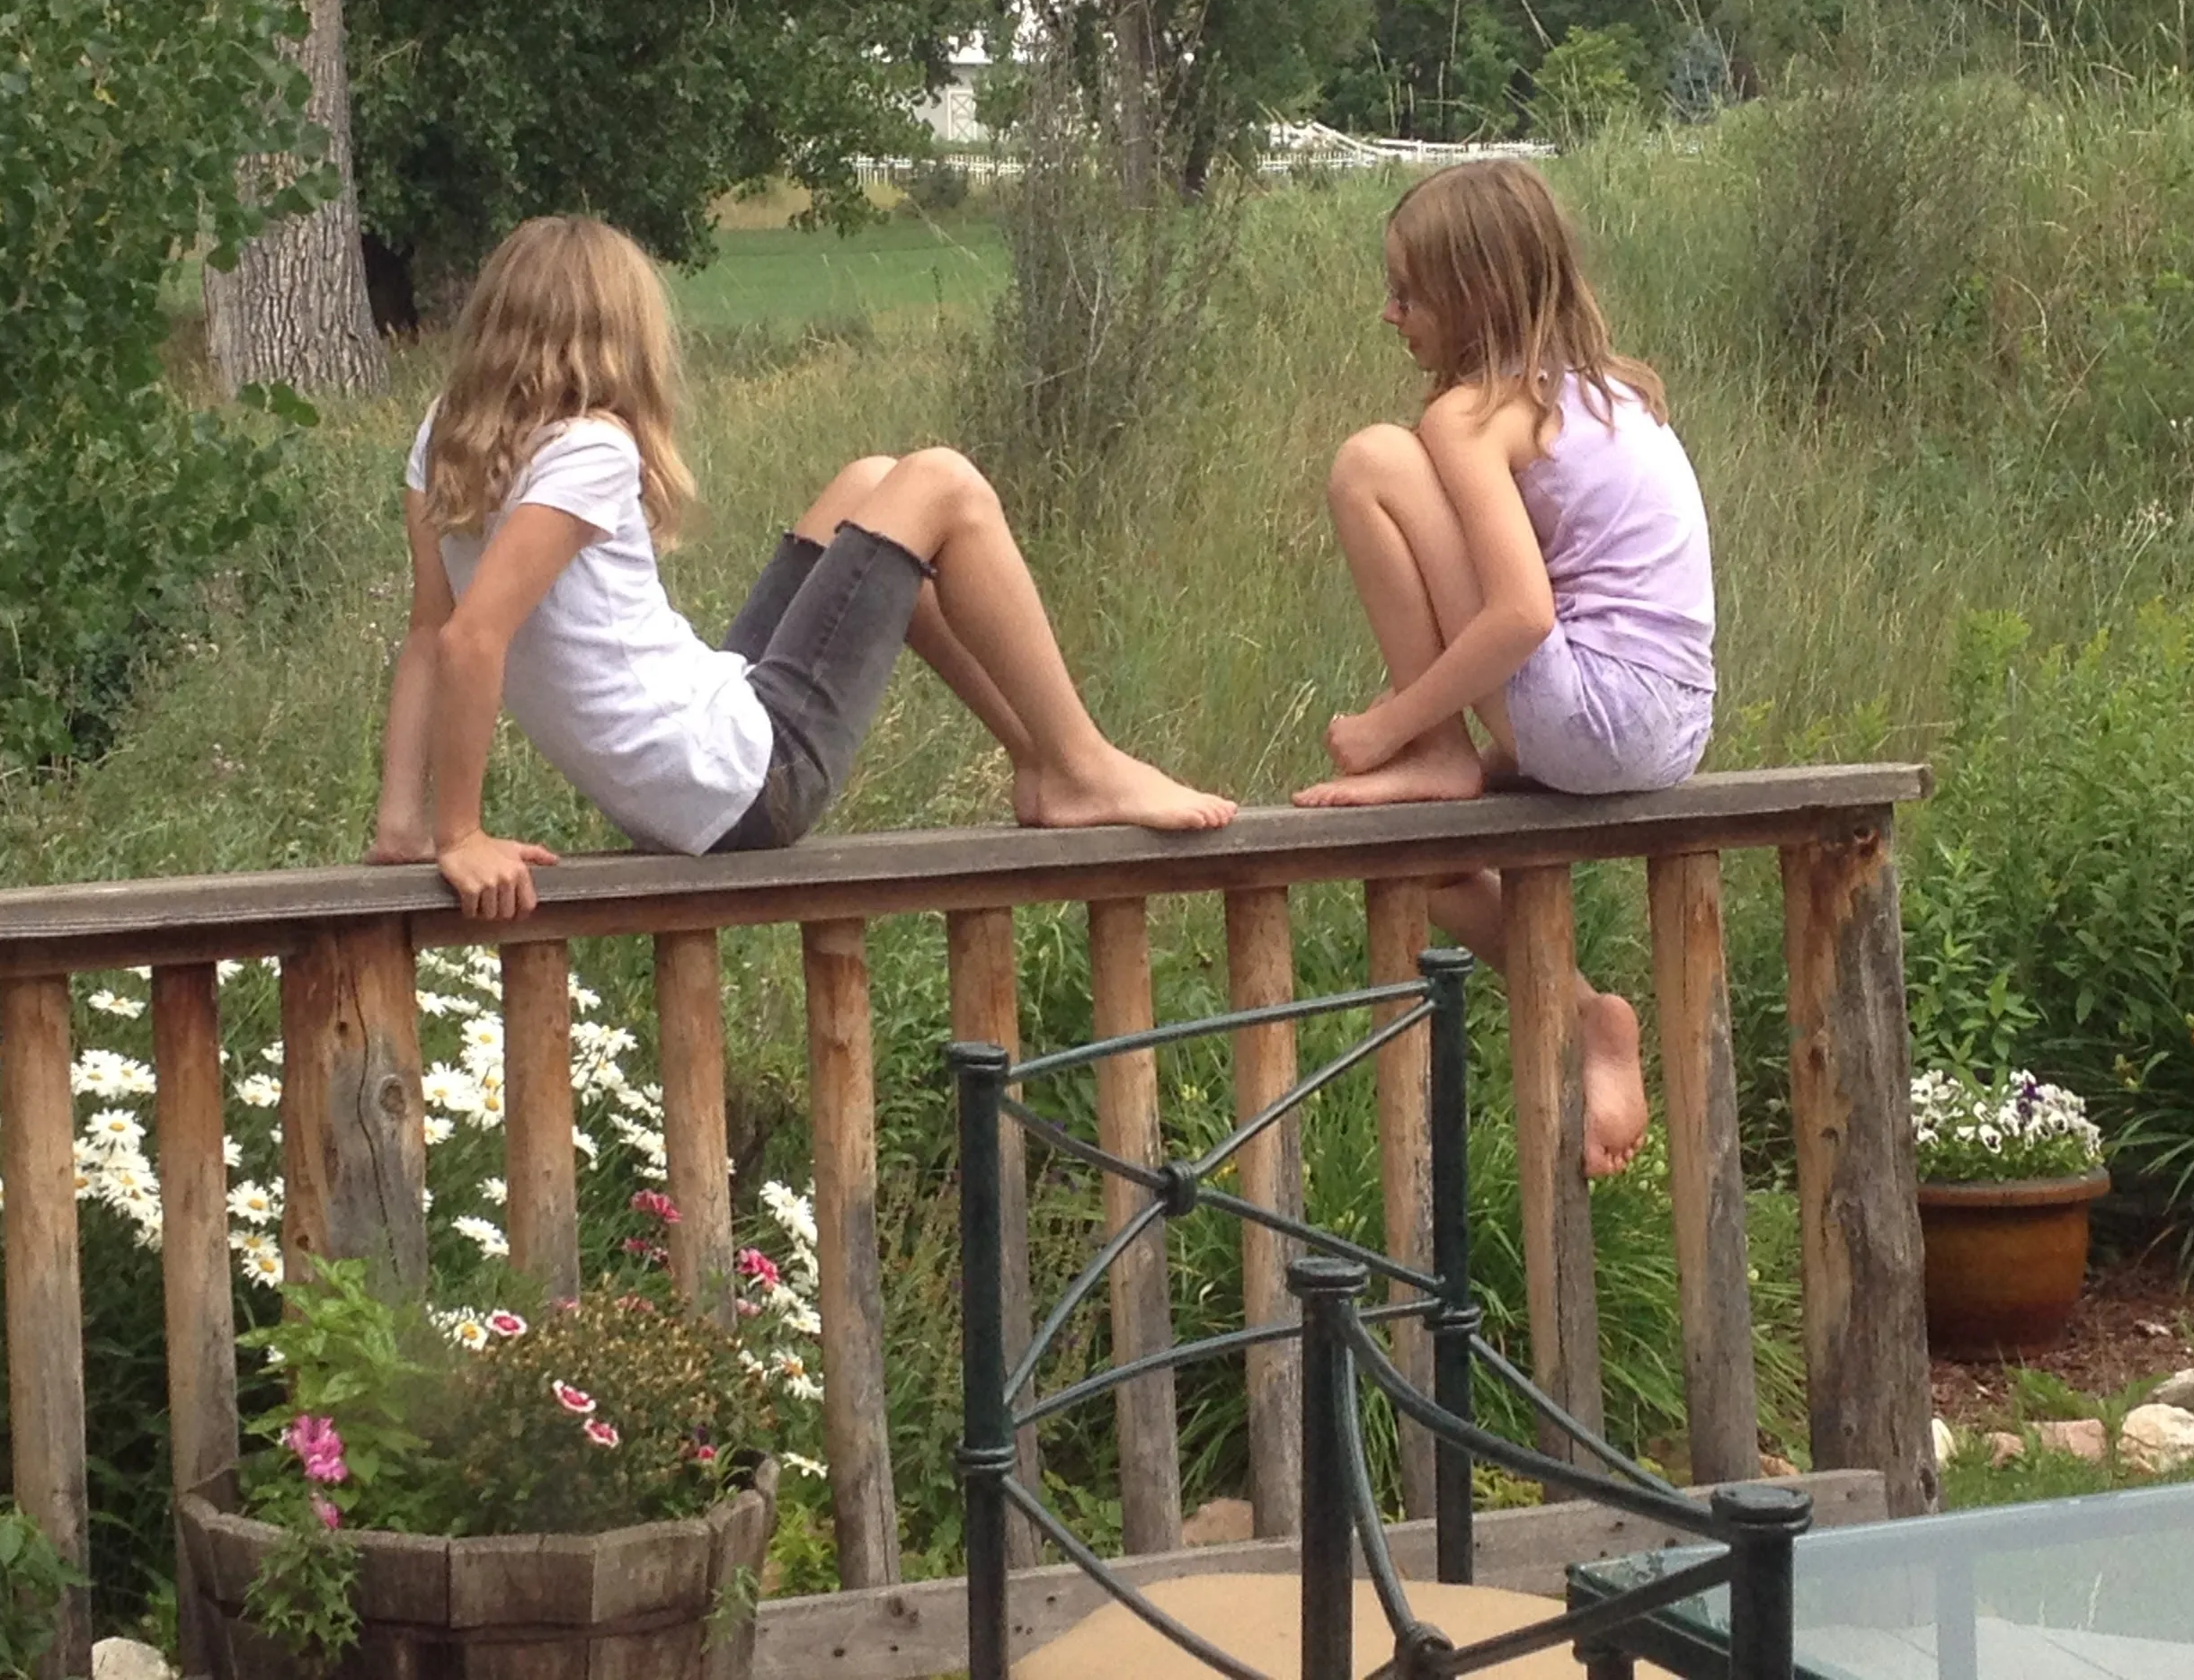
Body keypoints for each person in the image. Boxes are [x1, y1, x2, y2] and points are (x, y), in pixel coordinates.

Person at [369, 216, 1237, 921]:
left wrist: (403, 822)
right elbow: (471, 639)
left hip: (709, 753)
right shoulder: (593, 445)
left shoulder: (445, 431)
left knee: (872, 486)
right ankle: (1084, 762)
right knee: (944, 483)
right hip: (750, 783)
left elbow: (428, 633)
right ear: (621, 337)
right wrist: (461, 834)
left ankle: (1040, 762)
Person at [1294, 160, 1715, 1175]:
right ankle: (1583, 1016)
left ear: (1478, 295)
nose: (1389, 313)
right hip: (1674, 726)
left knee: (1368, 463)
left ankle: (1437, 752)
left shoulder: (1473, 413)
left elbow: (1522, 615)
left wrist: (1396, 727)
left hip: (1601, 711)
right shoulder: (1613, 391)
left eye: (1409, 291)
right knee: (1437, 867)